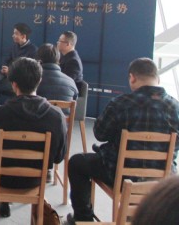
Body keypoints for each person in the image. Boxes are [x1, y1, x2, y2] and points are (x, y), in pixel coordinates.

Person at [66, 58, 179, 224]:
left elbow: (100, 134)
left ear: (132, 78)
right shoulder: (175, 107)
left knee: (77, 163)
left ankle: (83, 219)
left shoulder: (120, 104)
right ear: (158, 78)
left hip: (121, 175)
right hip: (162, 180)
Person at [0, 57, 67, 218]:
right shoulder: (56, 116)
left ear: (13, 84)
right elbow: (58, 157)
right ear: (39, 81)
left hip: (2, 178)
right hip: (36, 180)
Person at [0, 22, 38, 125]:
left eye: (16, 33)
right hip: (8, 76)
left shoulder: (33, 50)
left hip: (20, 79)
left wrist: (11, 70)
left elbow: (29, 71)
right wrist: (5, 68)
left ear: (23, 36)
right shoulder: (14, 47)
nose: (13, 36)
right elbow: (6, 61)